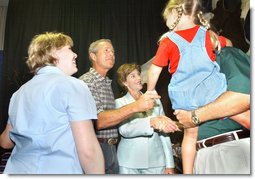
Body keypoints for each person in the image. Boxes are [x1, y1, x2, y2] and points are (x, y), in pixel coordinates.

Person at [146, 0, 249, 174]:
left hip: (185, 96)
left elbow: (154, 70)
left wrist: (150, 90)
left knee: (191, 134)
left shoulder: (168, 41)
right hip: (210, 91)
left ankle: (187, 173)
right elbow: (229, 43)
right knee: (232, 113)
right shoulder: (207, 36)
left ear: (175, 15)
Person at [0, 32, 104, 174]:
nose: (75, 55)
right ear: (53, 53)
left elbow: (5, 141)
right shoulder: (74, 85)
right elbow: (88, 151)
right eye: (69, 49)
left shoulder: (18, 94)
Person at [79, 39, 173, 174]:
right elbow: (98, 121)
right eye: (106, 50)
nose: (111, 54)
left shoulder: (106, 84)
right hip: (103, 149)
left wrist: (169, 163)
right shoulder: (88, 81)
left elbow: (164, 134)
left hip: (113, 150)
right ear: (93, 56)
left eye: (113, 51)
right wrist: (141, 111)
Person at [174, 46, 250, 174]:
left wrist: (202, 109)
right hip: (202, 155)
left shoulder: (224, 57)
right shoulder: (184, 84)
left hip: (231, 146)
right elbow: (189, 136)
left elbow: (247, 113)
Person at [115, 63, 177, 174]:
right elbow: (124, 130)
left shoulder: (155, 100)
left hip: (156, 162)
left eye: (138, 74)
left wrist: (169, 163)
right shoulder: (119, 103)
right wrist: (150, 122)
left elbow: (164, 133)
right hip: (129, 162)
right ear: (124, 82)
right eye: (133, 76)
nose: (139, 78)